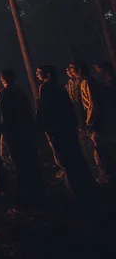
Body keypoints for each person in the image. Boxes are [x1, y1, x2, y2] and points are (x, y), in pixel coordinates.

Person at [36, 65, 96, 199]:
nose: (37, 74)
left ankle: (77, 192)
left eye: (40, 72)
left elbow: (44, 110)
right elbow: (69, 107)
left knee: (64, 161)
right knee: (76, 157)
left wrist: (40, 127)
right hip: (68, 128)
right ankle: (88, 188)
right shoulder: (59, 87)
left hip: (57, 130)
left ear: (48, 74)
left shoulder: (45, 87)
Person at [0, 70, 43, 199]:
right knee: (29, 160)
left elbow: (3, 114)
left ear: (3, 80)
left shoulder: (4, 93)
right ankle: (37, 190)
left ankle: (25, 191)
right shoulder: (20, 92)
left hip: (13, 132)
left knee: (18, 161)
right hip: (25, 130)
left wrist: (3, 130)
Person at [71, 61, 116, 186]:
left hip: (97, 123)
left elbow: (92, 104)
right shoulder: (89, 82)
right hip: (100, 121)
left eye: (72, 68)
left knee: (101, 151)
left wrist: (89, 122)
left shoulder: (87, 83)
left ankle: (107, 177)